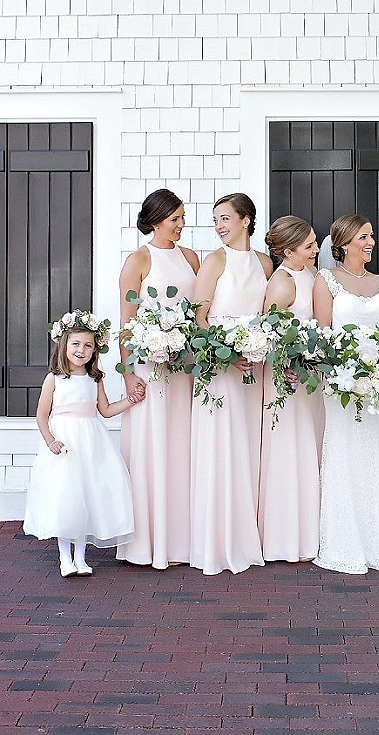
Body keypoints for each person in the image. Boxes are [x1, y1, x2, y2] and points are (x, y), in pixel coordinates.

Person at [312, 214, 379, 574]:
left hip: (375, 384)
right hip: (341, 383)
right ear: (343, 244)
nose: (370, 242)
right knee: (344, 449)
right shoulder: (326, 280)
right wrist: (347, 369)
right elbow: (323, 334)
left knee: (374, 450)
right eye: (363, 237)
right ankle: (345, 536)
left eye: (371, 236)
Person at [190, 193, 273, 574]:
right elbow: (199, 318)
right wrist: (226, 354)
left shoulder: (265, 263)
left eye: (225, 218)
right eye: (216, 220)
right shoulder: (215, 261)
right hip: (221, 371)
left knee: (247, 448)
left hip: (252, 370)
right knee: (220, 448)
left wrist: (257, 346)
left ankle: (244, 537)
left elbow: (267, 316)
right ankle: (217, 543)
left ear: (246, 220)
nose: (219, 226)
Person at [116, 189, 199, 570]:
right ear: (155, 221)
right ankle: (149, 542)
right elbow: (127, 323)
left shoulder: (191, 258)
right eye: (174, 219)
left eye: (182, 218)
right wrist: (128, 375)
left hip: (184, 368)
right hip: (150, 369)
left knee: (184, 448)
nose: (181, 225)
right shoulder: (138, 260)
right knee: (154, 447)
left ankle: (184, 540)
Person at [24, 313, 139, 577]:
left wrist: (130, 400)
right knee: (67, 498)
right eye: (75, 344)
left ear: (95, 350)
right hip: (65, 444)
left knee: (86, 496)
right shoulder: (54, 379)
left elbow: (106, 410)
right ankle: (65, 558)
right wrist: (51, 441)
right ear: (64, 345)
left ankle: (81, 558)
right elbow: (41, 415)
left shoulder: (94, 379)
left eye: (88, 345)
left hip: (91, 442)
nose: (81, 350)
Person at [259, 216, 324, 562]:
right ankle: (287, 538)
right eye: (309, 245)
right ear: (288, 251)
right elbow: (269, 332)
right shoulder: (282, 282)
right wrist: (287, 364)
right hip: (288, 378)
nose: (316, 249)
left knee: (310, 443)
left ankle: (312, 531)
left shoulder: (310, 273)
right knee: (290, 448)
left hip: (309, 376)